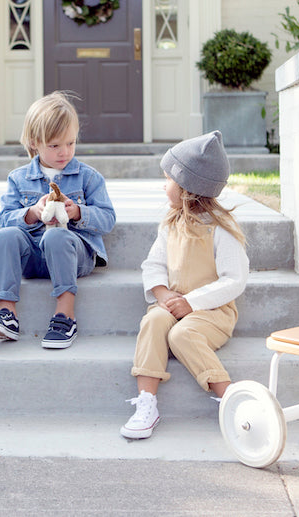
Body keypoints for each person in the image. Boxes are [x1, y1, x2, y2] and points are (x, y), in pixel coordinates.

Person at [120, 131, 249, 439]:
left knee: (182, 334)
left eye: (168, 179)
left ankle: (229, 397)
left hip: (212, 312)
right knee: (154, 321)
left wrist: (193, 302)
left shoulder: (221, 230)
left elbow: (234, 279)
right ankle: (146, 401)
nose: (164, 186)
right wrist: (163, 294)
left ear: (188, 188)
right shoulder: (171, 223)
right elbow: (153, 264)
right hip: (173, 304)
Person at [0, 91, 116, 349]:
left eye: (70, 143)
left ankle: (65, 315)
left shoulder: (88, 177)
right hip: (33, 258)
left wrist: (78, 213)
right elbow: (5, 218)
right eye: (54, 145)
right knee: (7, 235)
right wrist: (32, 213)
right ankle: (7, 314)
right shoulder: (18, 179)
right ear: (33, 143)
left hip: (73, 256)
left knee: (56, 235)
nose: (64, 152)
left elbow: (107, 218)